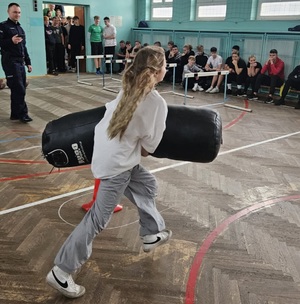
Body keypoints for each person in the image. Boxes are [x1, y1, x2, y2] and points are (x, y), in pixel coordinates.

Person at [46, 45, 172, 298]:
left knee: (147, 185)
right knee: (97, 219)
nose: (167, 68)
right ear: (158, 70)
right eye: (165, 64)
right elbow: (149, 149)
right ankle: (61, 271)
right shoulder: (157, 103)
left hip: (107, 153)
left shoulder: (127, 85)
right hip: (118, 165)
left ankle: (151, 233)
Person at [0, 2, 33, 123]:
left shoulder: (20, 28)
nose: (17, 14)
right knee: (19, 88)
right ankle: (23, 114)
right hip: (10, 61)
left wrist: (28, 62)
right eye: (14, 12)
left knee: (17, 87)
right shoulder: (3, 27)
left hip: (20, 61)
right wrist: (10, 41)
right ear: (8, 12)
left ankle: (15, 113)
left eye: (19, 12)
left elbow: (24, 47)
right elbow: (1, 43)